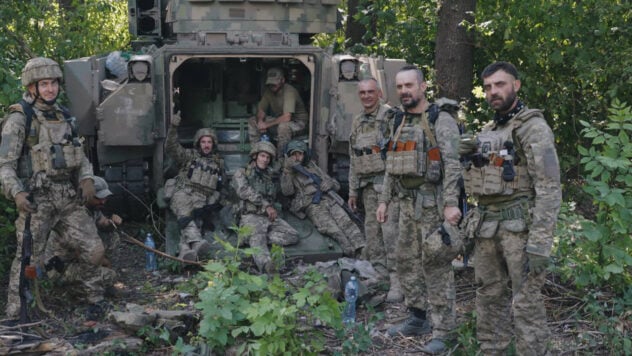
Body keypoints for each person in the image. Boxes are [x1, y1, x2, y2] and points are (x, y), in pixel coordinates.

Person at [459, 61, 561, 355]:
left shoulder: (534, 128)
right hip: (487, 228)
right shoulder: (489, 130)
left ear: (515, 85)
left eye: (500, 84)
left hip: (520, 231)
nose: (494, 92)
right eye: (489, 87)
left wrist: (541, 244)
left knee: (526, 303)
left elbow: (549, 187)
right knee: (488, 298)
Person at [0, 57, 108, 318]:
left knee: (94, 251)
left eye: (53, 84)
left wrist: (86, 178)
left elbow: (81, 157)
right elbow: (4, 165)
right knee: (28, 259)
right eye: (44, 84)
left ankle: (91, 297)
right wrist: (17, 193)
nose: (50, 89)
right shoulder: (19, 119)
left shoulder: (66, 116)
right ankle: (17, 313)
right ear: (32, 87)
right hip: (38, 200)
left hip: (68, 197)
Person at [375, 65, 462, 353]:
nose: (404, 91)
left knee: (435, 264)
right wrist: (384, 200)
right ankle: (417, 317)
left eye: (409, 86)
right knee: (407, 261)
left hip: (432, 204)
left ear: (423, 87)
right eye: (399, 87)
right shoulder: (397, 120)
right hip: (405, 204)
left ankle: (444, 329)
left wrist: (451, 204)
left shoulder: (441, 119)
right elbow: (391, 164)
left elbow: (452, 165)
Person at [347, 77, 402, 302]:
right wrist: (352, 190)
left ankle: (398, 282)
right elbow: (354, 157)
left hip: (387, 188)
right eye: (363, 93)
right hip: (368, 188)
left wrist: (387, 196)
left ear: (379, 93)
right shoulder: (358, 120)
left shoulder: (390, 117)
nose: (367, 96)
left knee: (391, 235)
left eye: (371, 92)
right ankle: (381, 275)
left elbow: (395, 157)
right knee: (373, 236)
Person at [280, 139, 365, 257]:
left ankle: (362, 250)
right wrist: (287, 171)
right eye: (294, 154)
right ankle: (349, 251)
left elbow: (336, 185)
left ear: (304, 154)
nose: (297, 157)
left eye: (299, 154)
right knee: (331, 228)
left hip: (328, 199)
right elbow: (287, 191)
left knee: (347, 222)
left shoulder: (312, 167)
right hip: (312, 204)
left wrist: (329, 183)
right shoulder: (288, 172)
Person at [164, 112, 225, 261]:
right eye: (203, 142)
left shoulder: (218, 163)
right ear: (198, 143)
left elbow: (221, 185)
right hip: (182, 193)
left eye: (209, 142)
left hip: (201, 198)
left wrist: (216, 200)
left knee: (195, 223)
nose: (206, 145)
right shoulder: (188, 156)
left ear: (213, 144)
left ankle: (185, 251)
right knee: (186, 217)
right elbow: (171, 146)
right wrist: (173, 127)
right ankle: (197, 243)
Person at [231, 140, 299, 273]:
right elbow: (243, 191)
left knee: (292, 236)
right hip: (251, 215)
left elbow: (283, 192)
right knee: (258, 239)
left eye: (268, 157)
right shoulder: (242, 172)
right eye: (262, 156)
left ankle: (251, 237)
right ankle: (267, 266)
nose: (265, 160)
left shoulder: (270, 176)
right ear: (255, 156)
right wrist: (266, 205)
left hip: (268, 217)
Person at [248, 67, 308, 159]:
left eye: (275, 83)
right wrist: (260, 121)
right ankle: (256, 156)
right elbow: (261, 110)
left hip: (298, 123)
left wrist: (267, 125)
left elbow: (287, 117)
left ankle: (281, 159)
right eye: (270, 83)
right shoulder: (269, 91)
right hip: (281, 121)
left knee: (283, 127)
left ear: (283, 80)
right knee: (253, 121)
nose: (272, 86)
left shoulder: (289, 91)